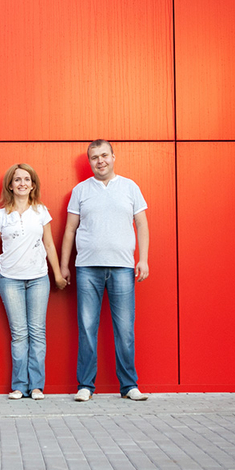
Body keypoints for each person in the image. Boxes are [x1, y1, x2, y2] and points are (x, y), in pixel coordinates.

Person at [60, 140, 150, 402]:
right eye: (94, 157)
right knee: (87, 328)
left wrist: (143, 259)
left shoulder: (130, 187)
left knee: (125, 330)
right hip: (87, 267)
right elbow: (70, 230)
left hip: (122, 267)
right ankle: (85, 386)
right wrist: (64, 265)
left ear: (113, 157)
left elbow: (142, 225)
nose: (100, 161)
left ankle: (129, 385)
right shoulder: (80, 190)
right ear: (90, 162)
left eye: (104, 155)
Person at [0, 163, 67, 400]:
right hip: (10, 280)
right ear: (10, 185)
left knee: (37, 333)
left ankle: (36, 386)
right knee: (19, 334)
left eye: (27, 179)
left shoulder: (41, 211)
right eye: (17, 179)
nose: (22, 183)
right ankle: (19, 385)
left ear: (33, 185)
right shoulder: (0, 216)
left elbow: (49, 245)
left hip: (38, 278)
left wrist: (57, 275)